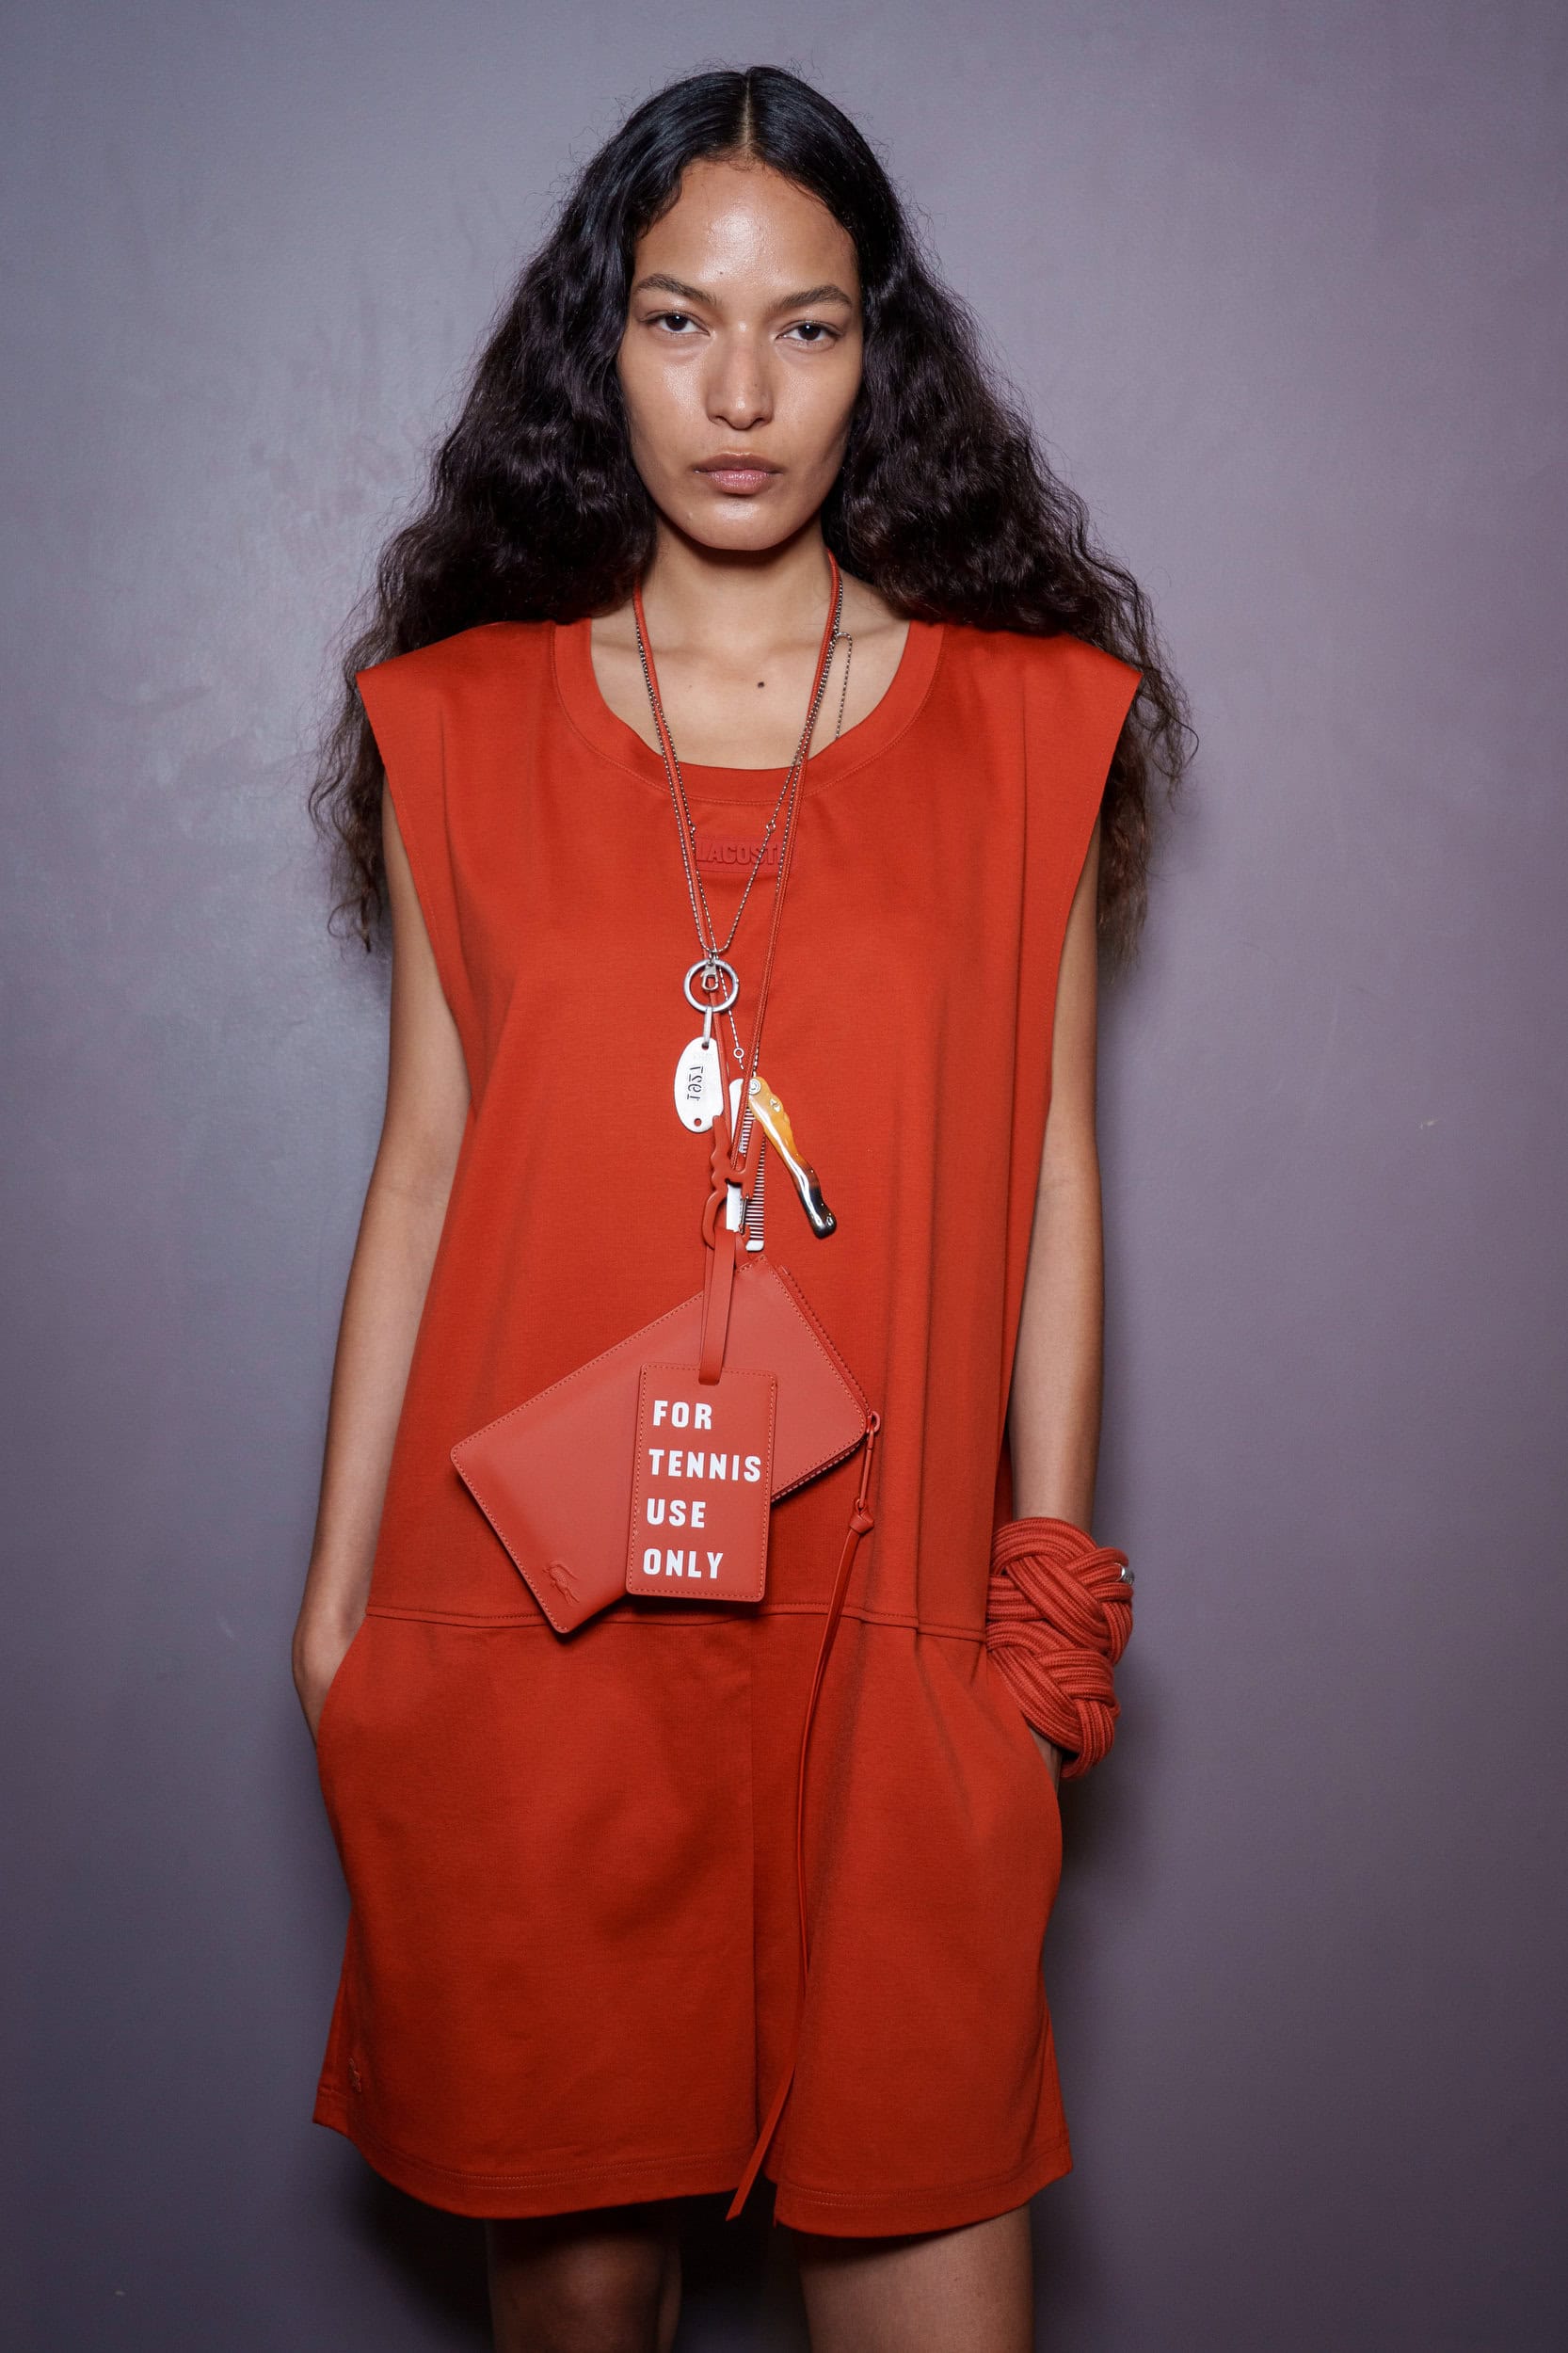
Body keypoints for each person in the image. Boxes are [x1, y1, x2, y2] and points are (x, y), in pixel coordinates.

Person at [297, 62, 1189, 2353]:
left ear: (877, 354)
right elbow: (424, 1169)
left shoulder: (1028, 723)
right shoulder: (452, 722)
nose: (738, 392)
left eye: (805, 325)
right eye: (678, 318)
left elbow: (1051, 1172)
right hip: (538, 1631)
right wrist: (337, 1618)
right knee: (580, 2307)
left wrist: (1043, 1608)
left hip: (891, 1643)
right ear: (596, 347)